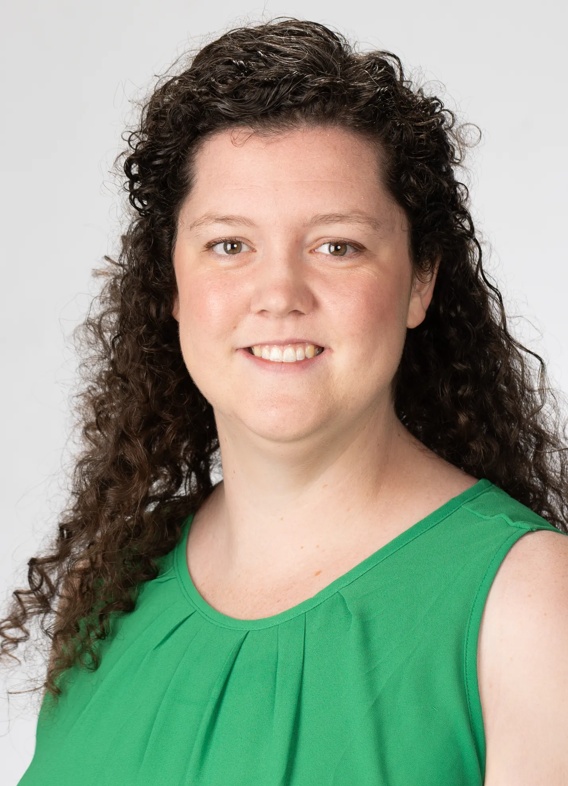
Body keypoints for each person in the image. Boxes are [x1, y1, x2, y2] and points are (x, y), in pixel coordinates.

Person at [2, 17, 568, 786]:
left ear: (421, 280)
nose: (279, 296)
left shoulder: (532, 607)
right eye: (229, 245)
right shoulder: (110, 584)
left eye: (337, 245)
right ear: (171, 283)